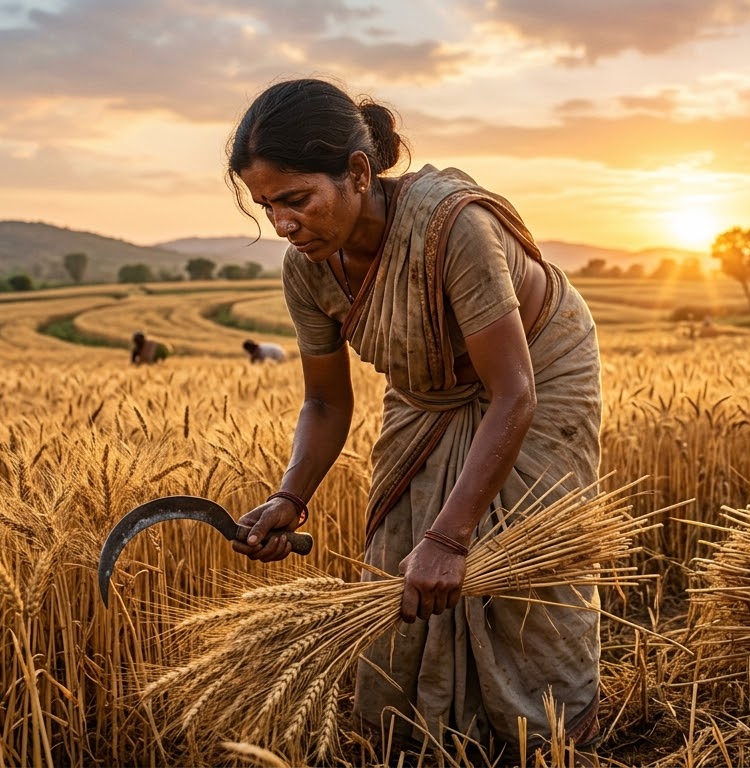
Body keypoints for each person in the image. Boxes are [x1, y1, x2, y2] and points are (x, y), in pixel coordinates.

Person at [226, 79, 603, 753]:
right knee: (398, 557)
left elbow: (514, 392)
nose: (282, 223)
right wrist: (290, 495)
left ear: (359, 173)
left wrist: (452, 538)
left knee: (521, 565)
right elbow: (325, 401)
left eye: (295, 199)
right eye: (265, 206)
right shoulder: (308, 270)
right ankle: (421, 734)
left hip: (537, 368)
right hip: (426, 388)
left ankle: (544, 736)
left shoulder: (453, 230)